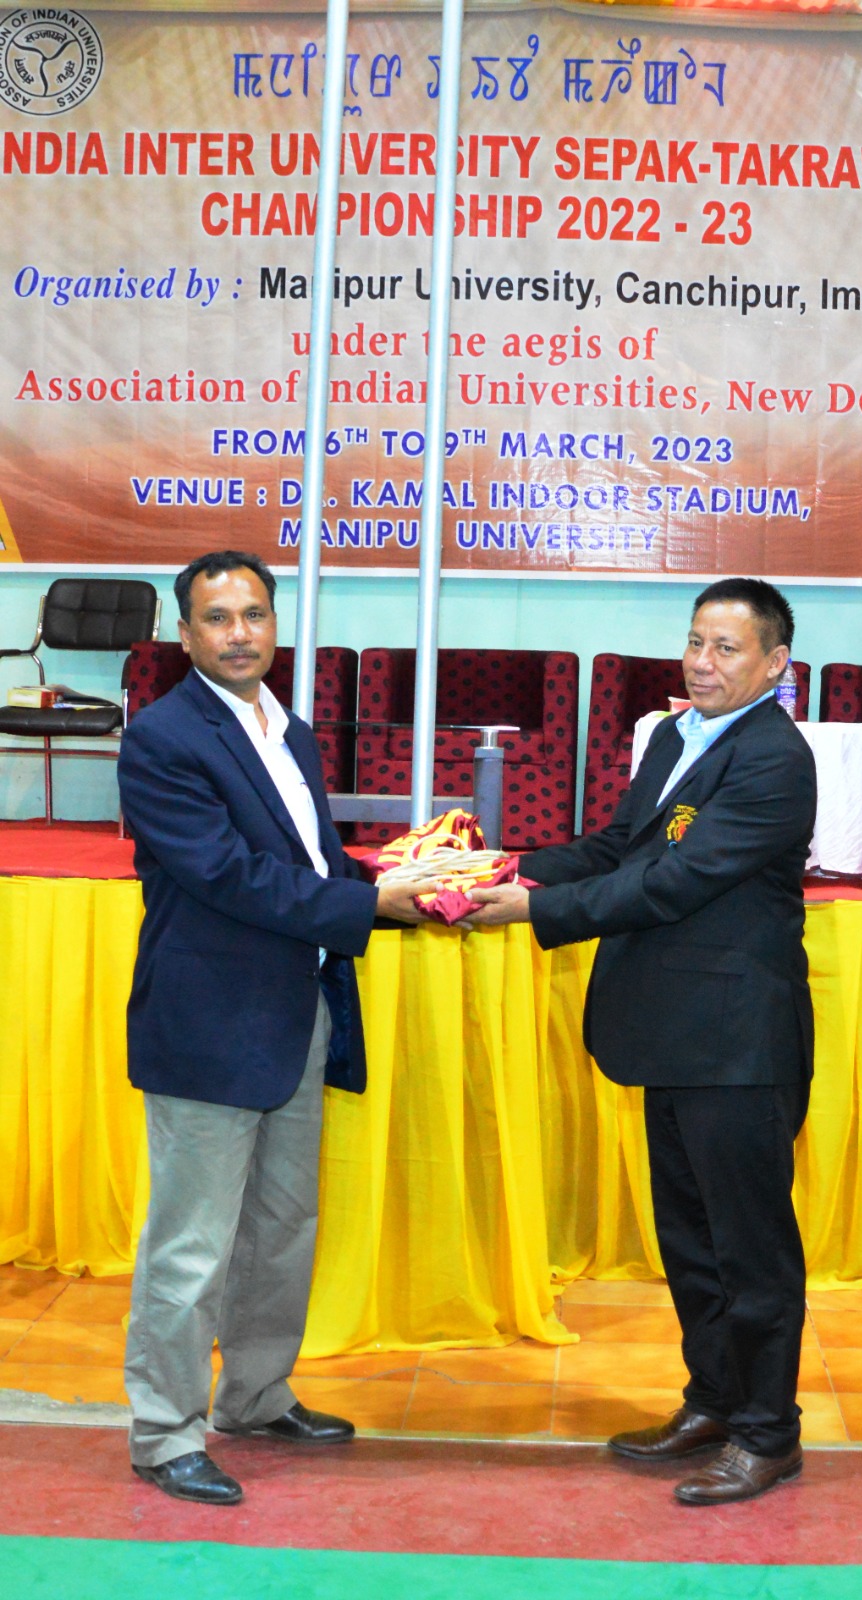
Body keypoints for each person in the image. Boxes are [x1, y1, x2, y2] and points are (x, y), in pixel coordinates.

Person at [464, 578, 817, 1507]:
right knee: (691, 1241)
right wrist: (504, 868)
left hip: (738, 1043)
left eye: (726, 648)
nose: (702, 662)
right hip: (669, 1031)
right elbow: (621, 847)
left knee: (751, 1250)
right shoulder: (671, 735)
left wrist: (532, 912)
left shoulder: (775, 759)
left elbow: (675, 881)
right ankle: (715, 1401)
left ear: (775, 664)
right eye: (695, 641)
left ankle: (768, 1434)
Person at [118, 551, 425, 1507]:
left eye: (254, 614)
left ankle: (253, 1396)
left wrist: (411, 878)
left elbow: (310, 860)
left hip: (298, 1010)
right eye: (218, 618)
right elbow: (227, 875)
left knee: (283, 1227)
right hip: (208, 1022)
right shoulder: (163, 738)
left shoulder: (288, 730)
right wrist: (371, 905)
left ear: (274, 625)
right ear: (185, 636)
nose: (240, 633)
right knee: (191, 1246)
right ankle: (164, 1433)